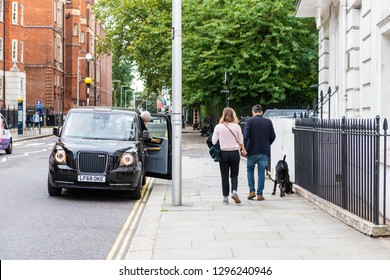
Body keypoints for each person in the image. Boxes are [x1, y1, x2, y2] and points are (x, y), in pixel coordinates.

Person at [212, 107, 247, 205]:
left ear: (223, 115)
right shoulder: (237, 127)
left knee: (224, 176)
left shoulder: (218, 127)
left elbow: (214, 141)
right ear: (233, 115)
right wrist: (243, 149)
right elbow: (241, 141)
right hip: (235, 153)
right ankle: (234, 191)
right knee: (234, 174)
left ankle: (225, 198)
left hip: (223, 154)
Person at [243, 104, 276, 201]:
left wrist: (244, 148)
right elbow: (273, 136)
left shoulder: (249, 121)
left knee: (250, 170)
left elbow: (245, 136)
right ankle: (260, 194)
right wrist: (266, 143)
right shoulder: (268, 122)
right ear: (261, 112)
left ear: (253, 112)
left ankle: (251, 191)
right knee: (261, 172)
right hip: (263, 151)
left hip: (251, 151)